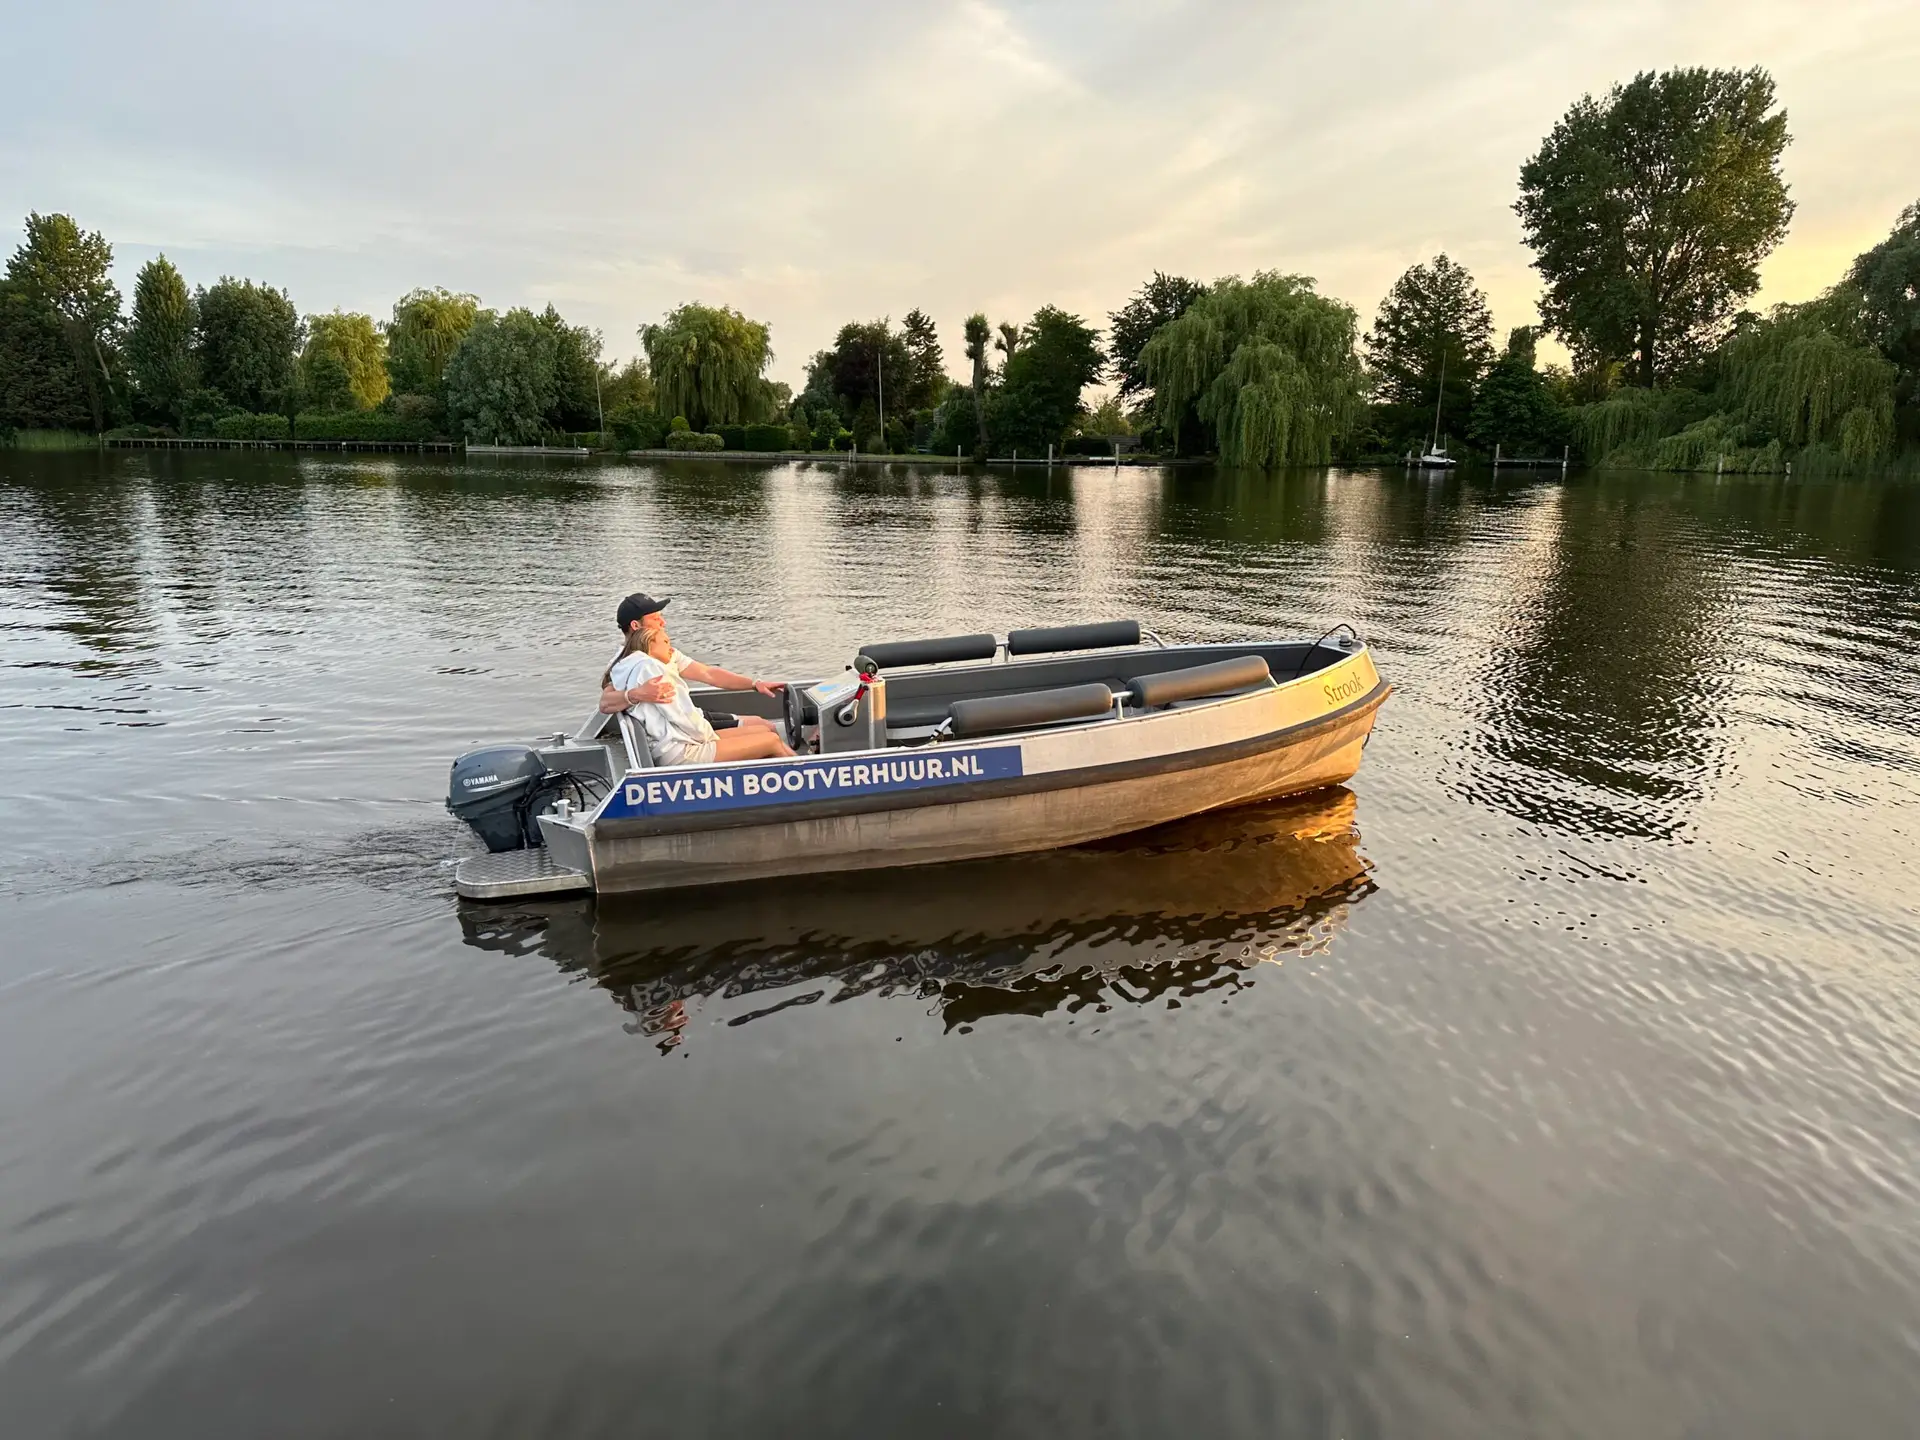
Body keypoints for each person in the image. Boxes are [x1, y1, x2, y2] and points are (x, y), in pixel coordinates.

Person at [598, 593, 784, 744]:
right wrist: (638, 694)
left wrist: (754, 684)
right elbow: (606, 703)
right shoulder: (624, 663)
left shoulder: (665, 651)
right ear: (635, 626)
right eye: (656, 619)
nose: (663, 623)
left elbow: (708, 673)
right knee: (767, 729)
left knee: (764, 725)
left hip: (695, 719)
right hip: (680, 733)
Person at [608, 619, 794, 766]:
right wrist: (711, 739)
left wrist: (755, 684)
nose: (671, 648)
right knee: (771, 741)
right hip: (680, 751)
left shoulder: (627, 665)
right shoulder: (652, 671)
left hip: (674, 743)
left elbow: (708, 673)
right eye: (666, 641)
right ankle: (813, 778)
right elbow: (683, 717)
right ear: (648, 641)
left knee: (763, 730)